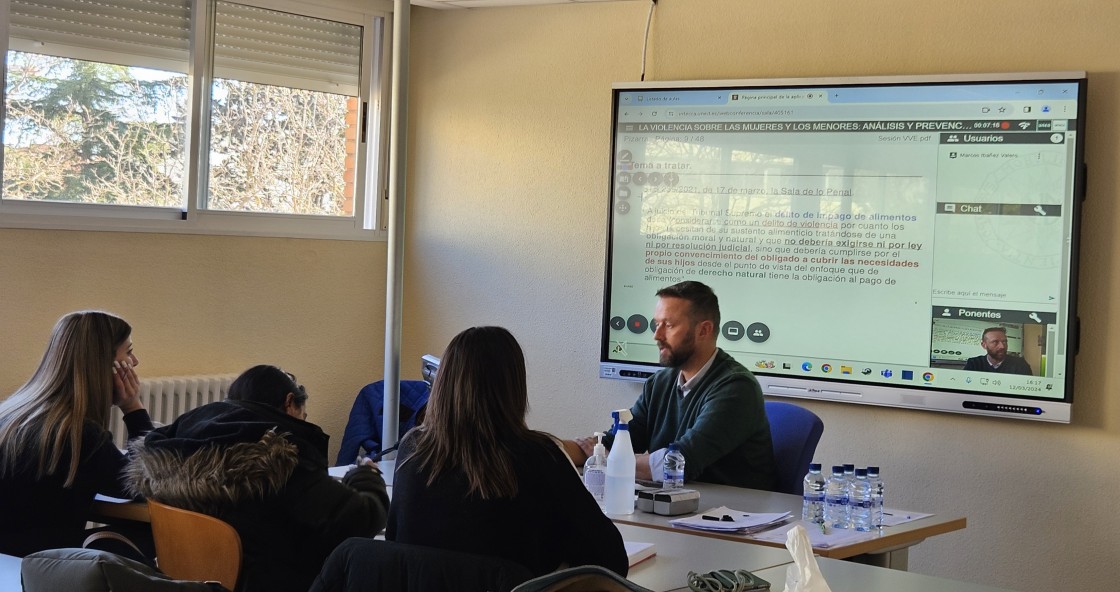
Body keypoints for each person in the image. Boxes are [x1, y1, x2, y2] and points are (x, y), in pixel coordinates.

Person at [386, 326, 628, 579]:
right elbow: (610, 561)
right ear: (513, 388)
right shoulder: (537, 457)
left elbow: (395, 544)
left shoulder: (413, 449)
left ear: (443, 383)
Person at [125, 365, 389, 592]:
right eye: (302, 415)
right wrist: (367, 475)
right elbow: (360, 520)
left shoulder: (178, 446)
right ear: (289, 403)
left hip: (192, 583)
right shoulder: (278, 457)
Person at [565, 281, 778, 490]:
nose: (656, 335)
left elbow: (680, 462)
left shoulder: (737, 388)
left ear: (703, 330)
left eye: (668, 325)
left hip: (731, 515)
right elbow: (616, 442)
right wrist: (547, 448)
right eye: (656, 324)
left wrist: (607, 459)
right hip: (673, 507)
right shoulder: (659, 383)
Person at [0, 310, 153, 558]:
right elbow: (146, 484)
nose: (134, 362)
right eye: (129, 352)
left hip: (7, 560)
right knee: (152, 536)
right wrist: (133, 408)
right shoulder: (77, 433)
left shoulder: (10, 414)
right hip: (40, 565)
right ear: (105, 363)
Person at [962, 327, 1033, 375]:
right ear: (984, 345)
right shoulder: (974, 363)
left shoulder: (1020, 364)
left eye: (1004, 342)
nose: (1002, 346)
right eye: (995, 342)